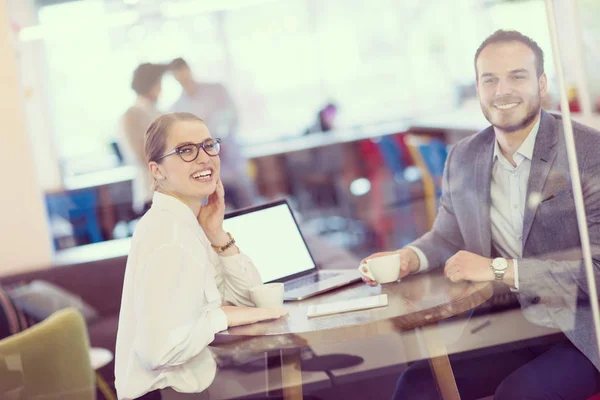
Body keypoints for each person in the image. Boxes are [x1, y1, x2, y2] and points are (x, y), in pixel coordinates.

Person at [360, 30, 600, 399]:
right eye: (490, 79)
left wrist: (499, 269)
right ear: (478, 89)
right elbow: (448, 235)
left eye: (517, 76)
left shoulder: (587, 151)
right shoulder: (464, 156)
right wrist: (409, 257)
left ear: (541, 83)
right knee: (418, 385)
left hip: (587, 327)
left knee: (518, 393)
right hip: (515, 325)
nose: (503, 90)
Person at [114, 112, 287, 400]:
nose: (204, 157)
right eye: (186, 150)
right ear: (157, 171)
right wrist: (222, 316)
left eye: (208, 145)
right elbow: (157, 350)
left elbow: (249, 299)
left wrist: (217, 235)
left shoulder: (188, 224)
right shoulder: (170, 236)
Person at [169, 58, 255, 209]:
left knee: (246, 202)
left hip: (231, 159)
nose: (183, 79)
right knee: (215, 208)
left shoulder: (216, 90)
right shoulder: (177, 106)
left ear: (189, 70)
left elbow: (233, 117)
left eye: (183, 74)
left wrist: (218, 135)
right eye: (178, 77)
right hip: (205, 166)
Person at [120, 63, 168, 215]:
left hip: (169, 191)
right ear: (151, 85)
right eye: (159, 83)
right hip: (151, 194)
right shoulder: (132, 115)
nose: (161, 88)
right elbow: (143, 155)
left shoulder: (158, 111)